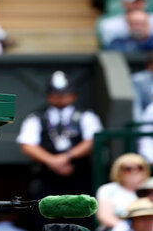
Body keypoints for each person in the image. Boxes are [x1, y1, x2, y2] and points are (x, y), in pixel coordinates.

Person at [17, 70, 103, 229]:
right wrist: (53, 161)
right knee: (43, 216)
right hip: (47, 178)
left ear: (74, 95)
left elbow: (93, 141)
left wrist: (66, 158)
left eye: (65, 93)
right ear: (48, 95)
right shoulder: (36, 117)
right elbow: (27, 144)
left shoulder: (86, 116)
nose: (60, 97)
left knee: (82, 216)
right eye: (55, 93)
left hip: (79, 176)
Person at [96, 153, 150, 231]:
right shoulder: (108, 189)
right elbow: (104, 216)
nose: (134, 171)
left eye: (139, 167)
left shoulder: (150, 188)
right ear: (118, 171)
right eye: (128, 168)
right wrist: (124, 227)